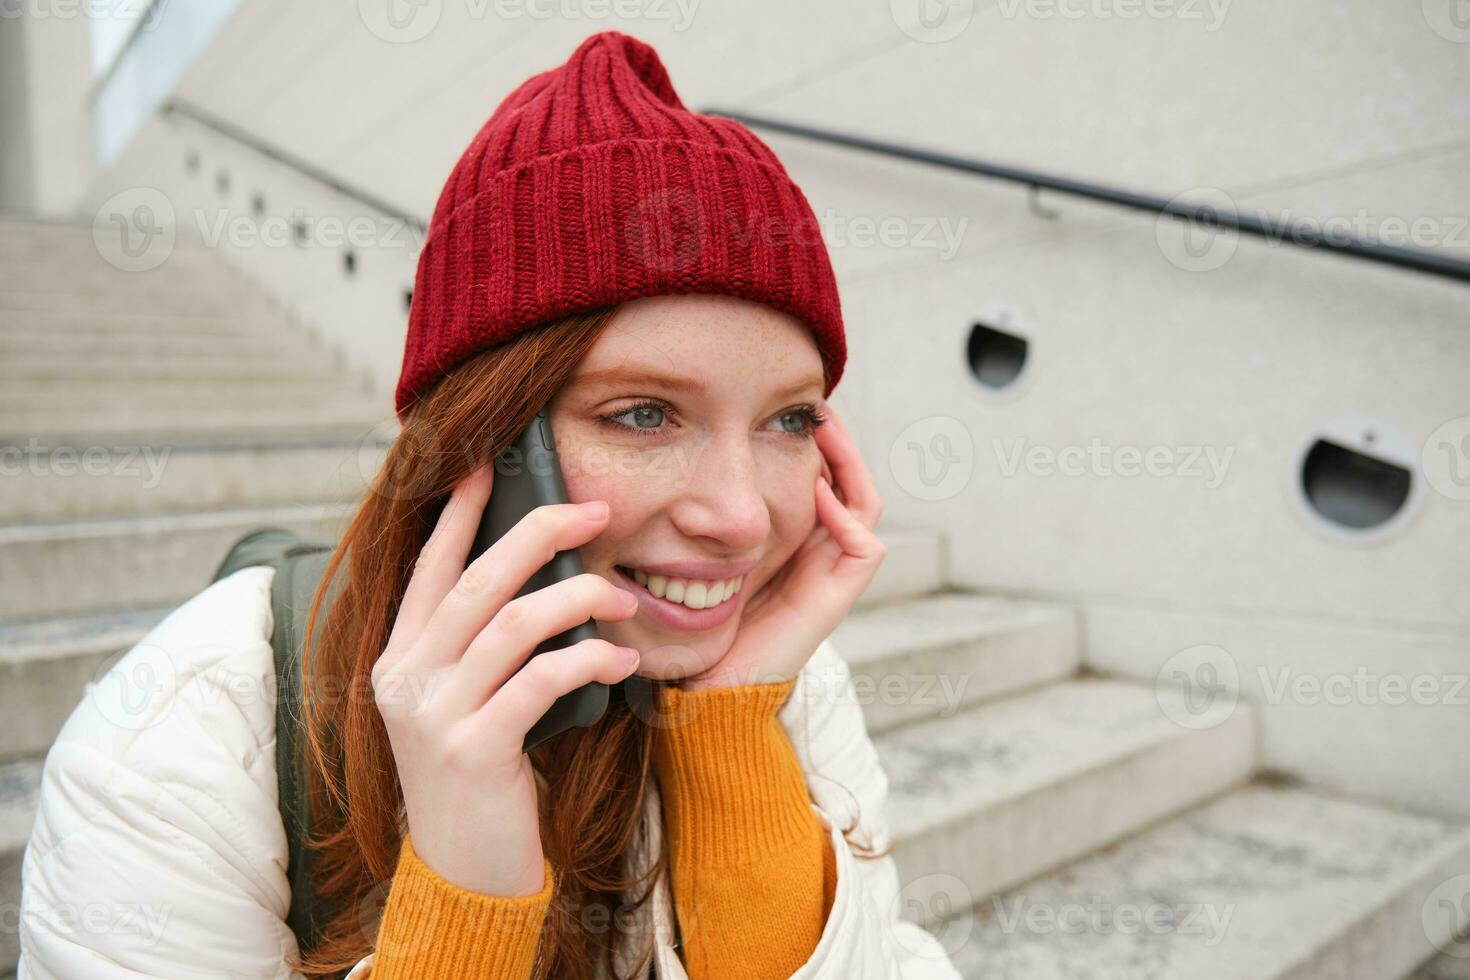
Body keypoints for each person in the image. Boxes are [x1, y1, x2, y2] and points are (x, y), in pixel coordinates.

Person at [18, 30, 963, 980]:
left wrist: (727, 744)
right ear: (483, 441)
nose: (744, 518)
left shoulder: (785, 676)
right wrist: (464, 886)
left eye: (789, 419)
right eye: (643, 413)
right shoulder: (180, 739)